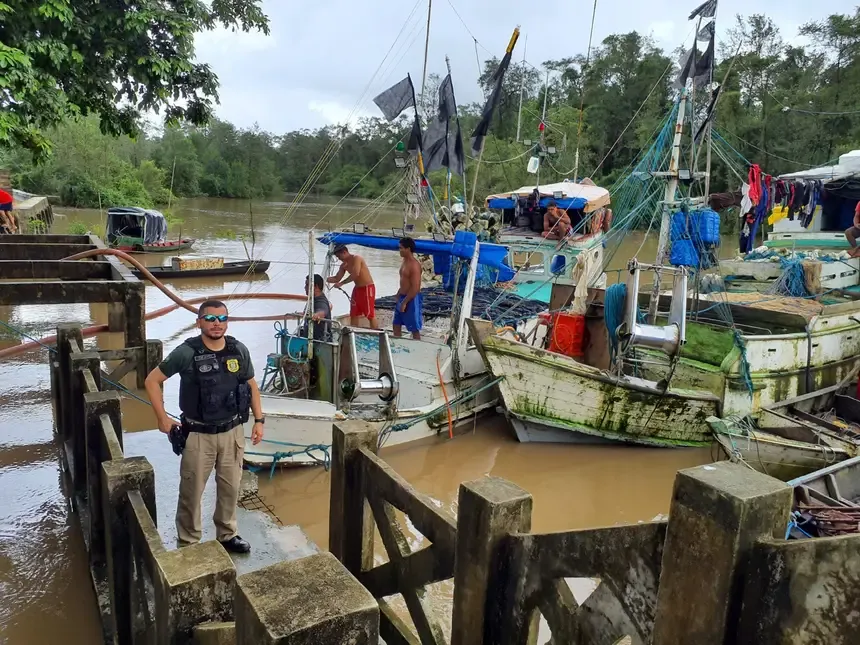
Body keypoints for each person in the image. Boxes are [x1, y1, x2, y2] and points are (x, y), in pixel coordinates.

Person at [144, 300, 265, 553]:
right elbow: (152, 380)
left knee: (231, 488)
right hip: (199, 436)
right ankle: (189, 543)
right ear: (199, 322)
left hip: (232, 432)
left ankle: (227, 534)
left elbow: (252, 385)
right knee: (191, 493)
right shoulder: (187, 352)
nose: (216, 324)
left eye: (222, 319)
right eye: (210, 318)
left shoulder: (238, 350)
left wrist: (259, 420)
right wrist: (161, 418)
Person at [328, 244, 378, 328]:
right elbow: (337, 278)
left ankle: (377, 333)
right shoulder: (343, 265)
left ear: (344, 252)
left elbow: (356, 274)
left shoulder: (357, 258)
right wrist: (324, 279)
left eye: (338, 256)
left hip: (367, 288)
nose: (338, 259)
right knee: (354, 313)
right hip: (357, 289)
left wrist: (342, 283)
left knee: (369, 314)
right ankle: (354, 333)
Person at [394, 237, 423, 340]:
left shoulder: (414, 265)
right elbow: (404, 281)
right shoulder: (404, 261)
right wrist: (398, 294)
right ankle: (397, 345)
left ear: (408, 249)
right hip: (402, 296)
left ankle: (417, 346)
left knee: (414, 328)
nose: (400, 250)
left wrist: (405, 302)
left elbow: (415, 287)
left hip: (411, 298)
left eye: (401, 248)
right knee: (396, 324)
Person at [301, 274, 332, 342]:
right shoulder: (312, 299)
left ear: (316, 286)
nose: (304, 287)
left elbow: (323, 311)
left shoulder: (321, 301)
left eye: (307, 285)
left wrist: (317, 315)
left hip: (319, 342)